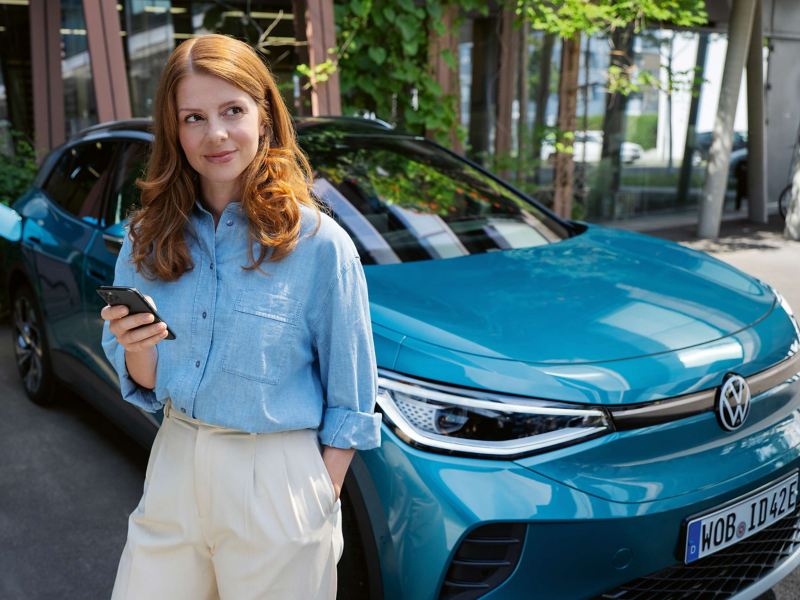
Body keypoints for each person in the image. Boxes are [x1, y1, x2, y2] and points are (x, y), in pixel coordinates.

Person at [100, 33, 381, 600]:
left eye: (233, 110)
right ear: (175, 131)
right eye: (194, 117)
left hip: (275, 475)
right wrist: (135, 347)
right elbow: (151, 383)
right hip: (175, 459)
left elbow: (351, 394)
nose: (216, 134)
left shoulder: (319, 244)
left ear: (265, 118)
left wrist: (317, 495)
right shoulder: (146, 238)